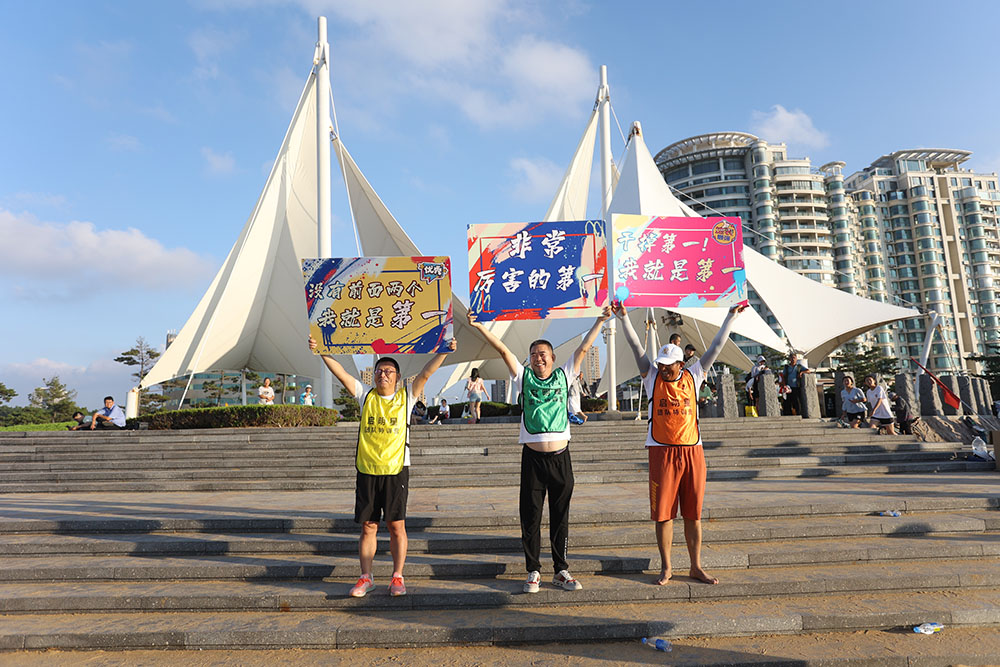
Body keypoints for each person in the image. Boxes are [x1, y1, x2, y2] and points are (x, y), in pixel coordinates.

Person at [467, 306, 612, 594]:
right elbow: (503, 350)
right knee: (531, 517)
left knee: (560, 517)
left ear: (553, 358)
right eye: (534, 354)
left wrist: (600, 320)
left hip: (560, 459)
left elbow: (583, 348)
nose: (538, 357)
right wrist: (481, 326)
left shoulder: (564, 375)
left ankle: (561, 570)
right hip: (532, 459)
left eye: (543, 353)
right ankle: (533, 570)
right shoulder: (523, 377)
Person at [310, 335, 455, 598]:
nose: (383, 375)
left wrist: (444, 352)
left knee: (396, 525)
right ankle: (366, 576)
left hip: (396, 469)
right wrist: (321, 351)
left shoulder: (405, 398)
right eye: (379, 371)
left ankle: (397, 576)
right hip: (367, 469)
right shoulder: (365, 396)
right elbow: (341, 373)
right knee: (368, 526)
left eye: (388, 372)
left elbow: (425, 373)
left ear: (397, 377)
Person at [617, 300, 747, 586]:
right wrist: (625, 318)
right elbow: (637, 347)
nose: (663, 369)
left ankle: (695, 566)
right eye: (661, 365)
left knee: (693, 514)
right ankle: (666, 567)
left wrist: (730, 318)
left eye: (669, 365)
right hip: (661, 452)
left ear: (680, 363)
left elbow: (715, 347)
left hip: (692, 451)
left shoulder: (694, 375)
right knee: (664, 515)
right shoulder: (651, 377)